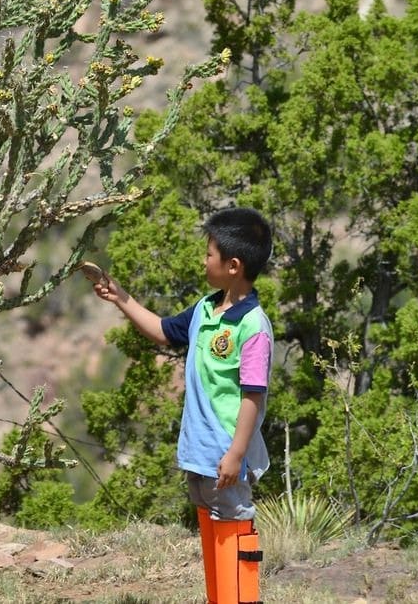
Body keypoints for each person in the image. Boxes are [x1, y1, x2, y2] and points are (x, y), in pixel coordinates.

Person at [90, 207, 273, 604]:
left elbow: (252, 396)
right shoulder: (206, 310)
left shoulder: (253, 326)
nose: (203, 260)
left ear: (233, 265)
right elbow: (163, 330)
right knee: (211, 533)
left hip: (226, 456)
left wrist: (236, 453)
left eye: (209, 254)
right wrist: (119, 297)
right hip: (198, 454)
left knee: (233, 533)